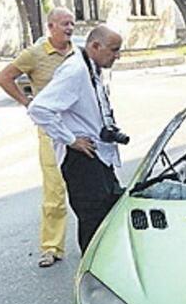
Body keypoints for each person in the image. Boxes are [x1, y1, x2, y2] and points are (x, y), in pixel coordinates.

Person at [28, 25, 125, 253]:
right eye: (113, 50)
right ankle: (92, 281)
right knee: (93, 224)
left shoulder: (92, 68)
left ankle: (105, 272)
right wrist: (71, 139)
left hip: (99, 156)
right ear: (95, 46)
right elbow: (39, 109)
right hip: (82, 159)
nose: (117, 55)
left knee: (109, 217)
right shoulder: (75, 70)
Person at [0, 7, 75, 268]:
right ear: (50, 26)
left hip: (80, 128)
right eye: (64, 24)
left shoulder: (79, 53)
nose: (69, 28)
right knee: (54, 188)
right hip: (51, 129)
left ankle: (95, 243)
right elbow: (4, 77)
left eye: (72, 23)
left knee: (90, 188)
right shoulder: (35, 54)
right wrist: (27, 102)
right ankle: (51, 247)